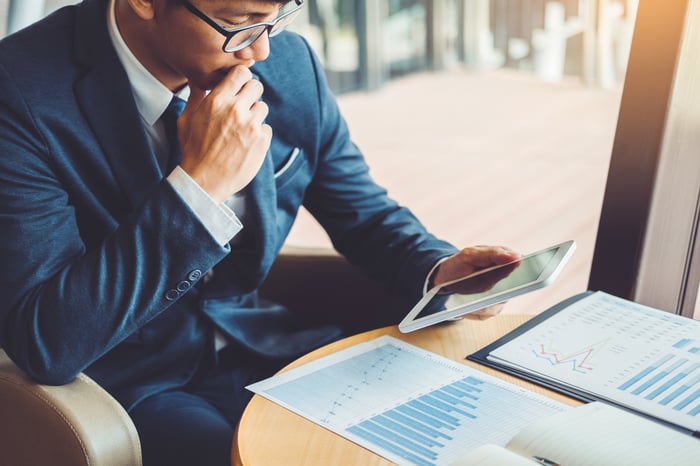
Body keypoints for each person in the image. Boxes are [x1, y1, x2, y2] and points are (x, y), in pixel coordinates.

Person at [0, 0, 520, 464]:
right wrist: (198, 188)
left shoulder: (291, 66)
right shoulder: (19, 93)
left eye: (278, 16)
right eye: (238, 24)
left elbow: (363, 213)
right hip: (132, 381)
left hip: (267, 345)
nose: (263, 51)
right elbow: (48, 338)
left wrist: (437, 267)